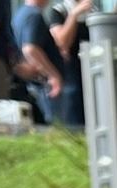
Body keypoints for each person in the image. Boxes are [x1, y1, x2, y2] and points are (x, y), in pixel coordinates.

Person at [11, 0, 64, 121]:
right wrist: (53, 76)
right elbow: (30, 49)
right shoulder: (34, 15)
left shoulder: (20, 15)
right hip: (43, 85)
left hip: (32, 83)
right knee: (55, 124)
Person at [46, 0, 91, 128]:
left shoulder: (92, 10)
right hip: (71, 74)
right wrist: (73, 15)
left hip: (92, 70)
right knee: (74, 116)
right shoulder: (59, 11)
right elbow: (61, 42)